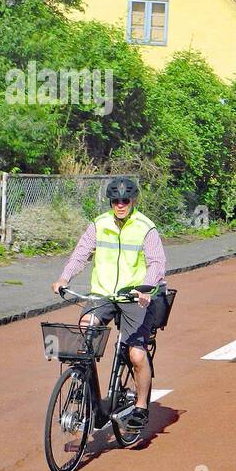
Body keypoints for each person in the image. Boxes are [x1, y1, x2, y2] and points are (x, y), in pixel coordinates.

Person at [51, 177, 166, 434]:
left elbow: (157, 263)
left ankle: (141, 406)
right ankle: (84, 384)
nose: (120, 205)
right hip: (103, 294)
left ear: (133, 200)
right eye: (116, 200)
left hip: (134, 297)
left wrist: (145, 288)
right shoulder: (99, 225)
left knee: (136, 353)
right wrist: (64, 278)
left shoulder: (146, 227)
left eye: (125, 200)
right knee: (84, 330)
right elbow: (81, 254)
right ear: (110, 201)